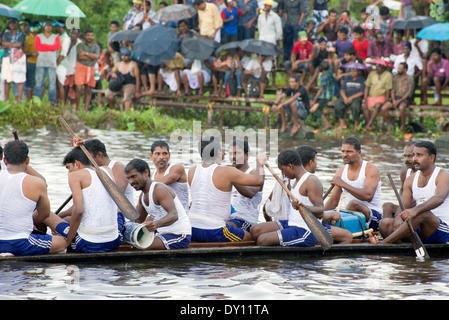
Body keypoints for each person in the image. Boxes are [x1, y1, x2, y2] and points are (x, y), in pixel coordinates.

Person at [250, 149, 352, 246]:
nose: (283, 174)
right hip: (291, 223)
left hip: (306, 230)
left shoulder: (311, 181)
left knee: (263, 240)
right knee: (255, 230)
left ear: (290, 166)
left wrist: (302, 206)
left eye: (283, 170)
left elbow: (320, 211)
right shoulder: (293, 179)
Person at [43, 147, 124, 253]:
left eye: (68, 168)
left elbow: (79, 210)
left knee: (47, 214)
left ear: (77, 163)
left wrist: (68, 241)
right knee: (118, 212)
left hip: (88, 244)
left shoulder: (74, 175)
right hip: (114, 241)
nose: (69, 172)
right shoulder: (107, 170)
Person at [187, 136, 265, 243]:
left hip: (191, 228)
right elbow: (259, 180)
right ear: (218, 153)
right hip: (213, 230)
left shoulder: (192, 171)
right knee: (253, 239)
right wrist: (260, 162)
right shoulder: (227, 171)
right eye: (223, 150)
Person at [0, 140, 67, 256]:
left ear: (4, 160)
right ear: (27, 160)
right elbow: (44, 215)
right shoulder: (37, 182)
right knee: (64, 242)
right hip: (20, 243)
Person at [379, 141, 449, 245]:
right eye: (414, 155)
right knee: (385, 224)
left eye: (419, 155)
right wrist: (398, 218)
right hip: (419, 227)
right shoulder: (410, 179)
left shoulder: (443, 175)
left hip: (442, 229)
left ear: (431, 158)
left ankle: (383, 245)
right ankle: (399, 254)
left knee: (421, 213)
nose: (414, 159)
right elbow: (403, 206)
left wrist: (415, 210)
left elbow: (439, 198)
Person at [125, 159, 192, 250]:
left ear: (145, 173)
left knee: (141, 245)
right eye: (128, 178)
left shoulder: (159, 189)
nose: (131, 182)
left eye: (133, 177)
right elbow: (138, 220)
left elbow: (174, 215)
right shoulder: (142, 197)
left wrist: (155, 224)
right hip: (161, 232)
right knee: (125, 241)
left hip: (179, 234)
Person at [324, 137, 383, 231]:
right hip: (351, 215)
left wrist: (343, 184)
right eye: (343, 151)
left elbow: (368, 195)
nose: (345, 155)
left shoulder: (371, 169)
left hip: (373, 217)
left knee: (353, 204)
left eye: (349, 152)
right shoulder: (341, 172)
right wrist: (321, 216)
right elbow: (333, 201)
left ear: (359, 153)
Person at [69, 137, 135, 212]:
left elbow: (112, 197)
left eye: (87, 158)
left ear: (99, 155)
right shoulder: (92, 171)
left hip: (121, 218)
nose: (85, 161)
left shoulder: (119, 168)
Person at [227, 139, 264, 232]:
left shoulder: (255, 175)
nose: (233, 157)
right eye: (230, 154)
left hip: (246, 222)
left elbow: (250, 193)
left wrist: (231, 178)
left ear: (247, 155)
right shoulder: (230, 174)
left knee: (223, 227)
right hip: (229, 219)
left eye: (237, 153)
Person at [149, 140, 190, 213]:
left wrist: (142, 182)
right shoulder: (152, 175)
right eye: (157, 154)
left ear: (169, 155)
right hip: (162, 217)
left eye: (164, 153)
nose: (161, 157)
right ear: (151, 156)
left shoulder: (177, 168)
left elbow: (163, 182)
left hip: (181, 217)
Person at [381, 141, 416, 222]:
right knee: (387, 206)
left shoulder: (423, 173)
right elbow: (402, 190)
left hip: (418, 212)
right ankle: (387, 229)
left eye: (410, 156)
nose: (406, 159)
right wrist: (403, 201)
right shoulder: (405, 172)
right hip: (406, 208)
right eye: (405, 156)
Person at [381, 62, 414, 133]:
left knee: (401, 108)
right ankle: (389, 125)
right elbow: (393, 90)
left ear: (405, 70)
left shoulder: (410, 79)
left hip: (405, 99)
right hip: (395, 98)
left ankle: (402, 125)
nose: (398, 70)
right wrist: (393, 100)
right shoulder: (395, 78)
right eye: (398, 68)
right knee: (384, 108)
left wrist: (398, 101)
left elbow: (408, 93)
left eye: (400, 69)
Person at [34, 20, 60, 105]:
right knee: (39, 83)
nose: (48, 27)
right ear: (44, 27)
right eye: (47, 25)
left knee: (52, 83)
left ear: (52, 27)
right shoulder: (39, 36)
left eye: (50, 25)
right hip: (40, 63)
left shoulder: (56, 37)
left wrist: (44, 46)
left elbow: (57, 47)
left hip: (52, 63)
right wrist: (50, 47)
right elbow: (38, 47)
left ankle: (52, 101)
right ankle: (37, 100)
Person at [105, 47, 140, 111]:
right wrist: (112, 74)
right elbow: (110, 71)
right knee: (108, 93)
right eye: (123, 55)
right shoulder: (118, 64)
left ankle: (127, 113)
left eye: (126, 55)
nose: (124, 57)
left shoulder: (133, 65)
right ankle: (113, 110)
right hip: (118, 85)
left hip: (129, 84)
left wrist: (137, 91)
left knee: (127, 97)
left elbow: (137, 79)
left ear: (130, 56)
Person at [362, 62, 393, 132]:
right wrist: (365, 98)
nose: (376, 68)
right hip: (371, 96)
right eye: (376, 66)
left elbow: (388, 89)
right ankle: (371, 125)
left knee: (378, 106)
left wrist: (386, 100)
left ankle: (368, 125)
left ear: (383, 67)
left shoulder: (388, 75)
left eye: (378, 66)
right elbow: (367, 86)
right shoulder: (372, 73)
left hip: (381, 96)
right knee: (364, 105)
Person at [1, 19, 26, 102]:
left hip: (18, 59)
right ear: (8, 24)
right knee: (6, 79)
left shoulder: (21, 34)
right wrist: (13, 44)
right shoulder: (6, 33)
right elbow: (3, 43)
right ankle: (6, 100)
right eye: (10, 23)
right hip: (7, 58)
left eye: (14, 23)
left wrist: (8, 44)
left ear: (17, 24)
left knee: (20, 79)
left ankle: (19, 100)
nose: (12, 24)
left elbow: (19, 45)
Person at [75, 29, 100, 111]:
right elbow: (80, 57)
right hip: (81, 67)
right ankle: (77, 108)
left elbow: (96, 57)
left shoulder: (96, 46)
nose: (90, 37)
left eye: (91, 35)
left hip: (91, 68)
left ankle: (85, 109)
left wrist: (86, 54)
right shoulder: (80, 45)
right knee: (78, 88)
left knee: (88, 89)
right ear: (85, 36)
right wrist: (91, 57)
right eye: (88, 35)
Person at [333, 67, 365, 132]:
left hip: (356, 97)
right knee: (337, 104)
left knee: (355, 107)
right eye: (352, 71)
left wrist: (352, 97)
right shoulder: (347, 78)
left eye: (355, 71)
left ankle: (356, 125)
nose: (353, 73)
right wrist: (345, 98)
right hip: (347, 96)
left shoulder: (362, 80)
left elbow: (361, 92)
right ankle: (342, 123)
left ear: (358, 72)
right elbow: (342, 90)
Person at [20, 19, 37, 101]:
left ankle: (31, 100)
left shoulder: (33, 37)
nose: (23, 27)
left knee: (32, 82)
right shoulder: (19, 36)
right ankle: (23, 99)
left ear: (29, 26)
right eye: (22, 25)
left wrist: (30, 53)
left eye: (25, 25)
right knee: (22, 81)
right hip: (20, 62)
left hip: (31, 62)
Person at [55, 20, 71, 104]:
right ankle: (57, 102)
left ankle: (62, 104)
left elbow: (63, 53)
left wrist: (56, 64)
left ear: (60, 27)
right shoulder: (58, 36)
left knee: (61, 85)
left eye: (56, 26)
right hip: (56, 63)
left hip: (61, 64)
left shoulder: (65, 38)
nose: (55, 28)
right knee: (57, 85)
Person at [64, 28, 82, 103]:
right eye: (71, 33)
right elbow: (64, 54)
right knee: (65, 86)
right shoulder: (67, 42)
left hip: (76, 68)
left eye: (75, 33)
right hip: (67, 68)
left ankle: (73, 105)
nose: (73, 35)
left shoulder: (80, 44)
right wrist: (71, 45)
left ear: (78, 35)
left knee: (74, 87)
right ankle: (63, 102)